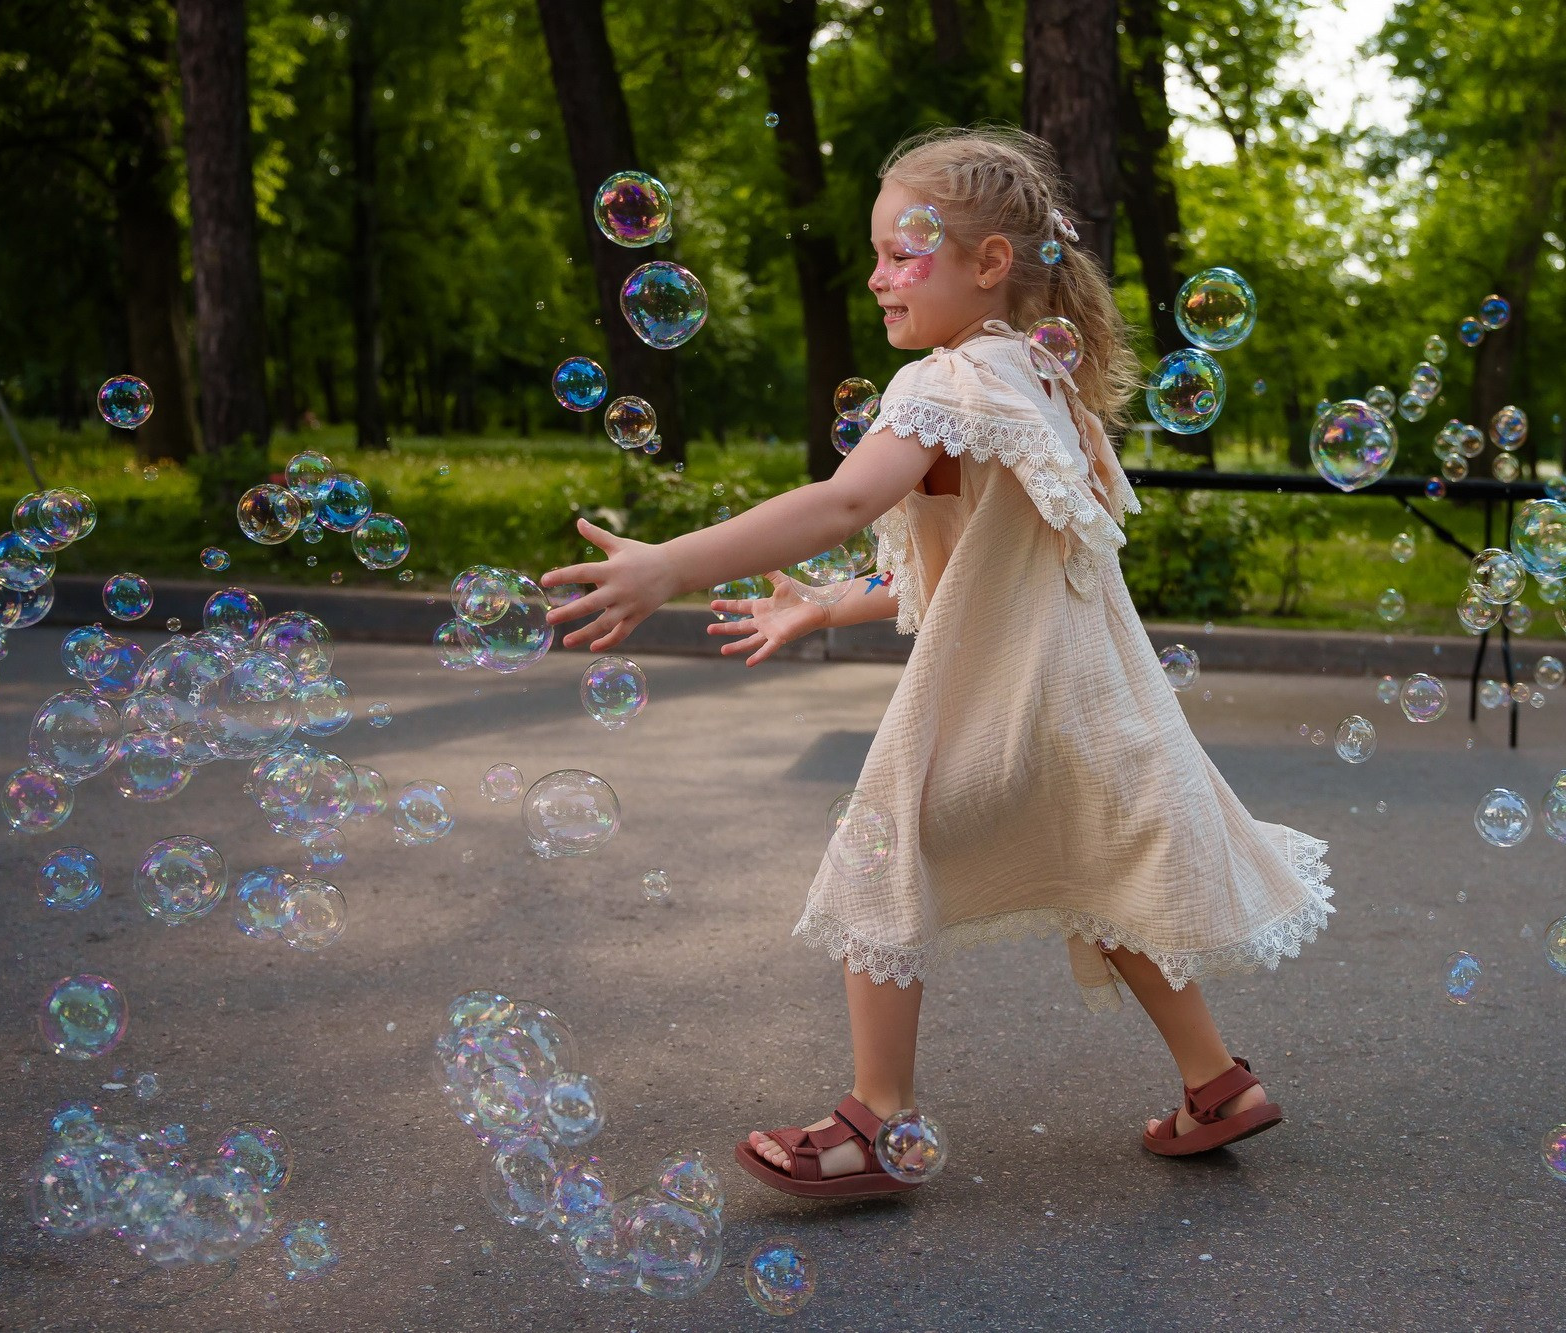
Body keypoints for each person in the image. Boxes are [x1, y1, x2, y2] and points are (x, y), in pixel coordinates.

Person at [543, 126, 1333, 1199]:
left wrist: (665, 568)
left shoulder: (948, 382)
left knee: (881, 856)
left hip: (1007, 708)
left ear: (988, 264)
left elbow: (841, 500)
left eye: (900, 251)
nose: (876, 276)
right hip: (1088, 709)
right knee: (1108, 879)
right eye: (874, 254)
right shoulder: (1043, 390)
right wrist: (826, 605)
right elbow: (973, 570)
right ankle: (1217, 1084)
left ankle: (875, 1118)